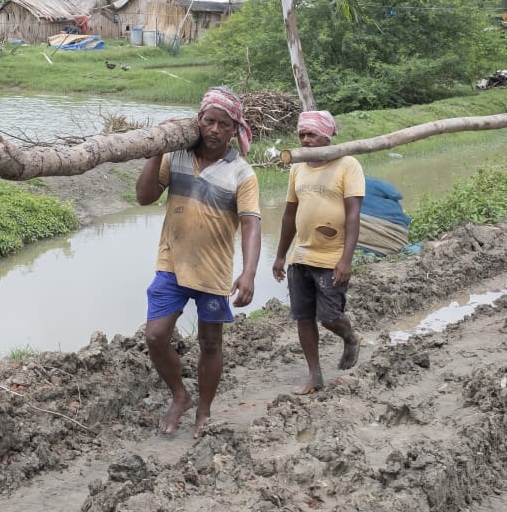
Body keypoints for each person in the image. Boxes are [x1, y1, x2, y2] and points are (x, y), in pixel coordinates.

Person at [136, 86, 262, 436]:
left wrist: (249, 271)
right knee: (156, 335)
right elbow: (145, 197)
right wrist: (155, 151)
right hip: (172, 261)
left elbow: (251, 224)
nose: (215, 130)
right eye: (209, 121)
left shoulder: (242, 174)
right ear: (199, 121)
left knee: (210, 342)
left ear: (235, 129)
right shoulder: (174, 156)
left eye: (224, 124)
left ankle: (203, 410)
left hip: (213, 267)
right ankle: (180, 396)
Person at [272, 110, 365, 395]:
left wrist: (346, 258)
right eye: (302, 134)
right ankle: (314, 374)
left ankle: (350, 336)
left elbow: (353, 215)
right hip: (300, 256)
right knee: (303, 316)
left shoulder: (348, 165)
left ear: (327, 135)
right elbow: (290, 214)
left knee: (329, 316)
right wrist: (279, 255)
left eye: (311, 134)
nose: (306, 139)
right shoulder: (297, 167)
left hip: (331, 257)